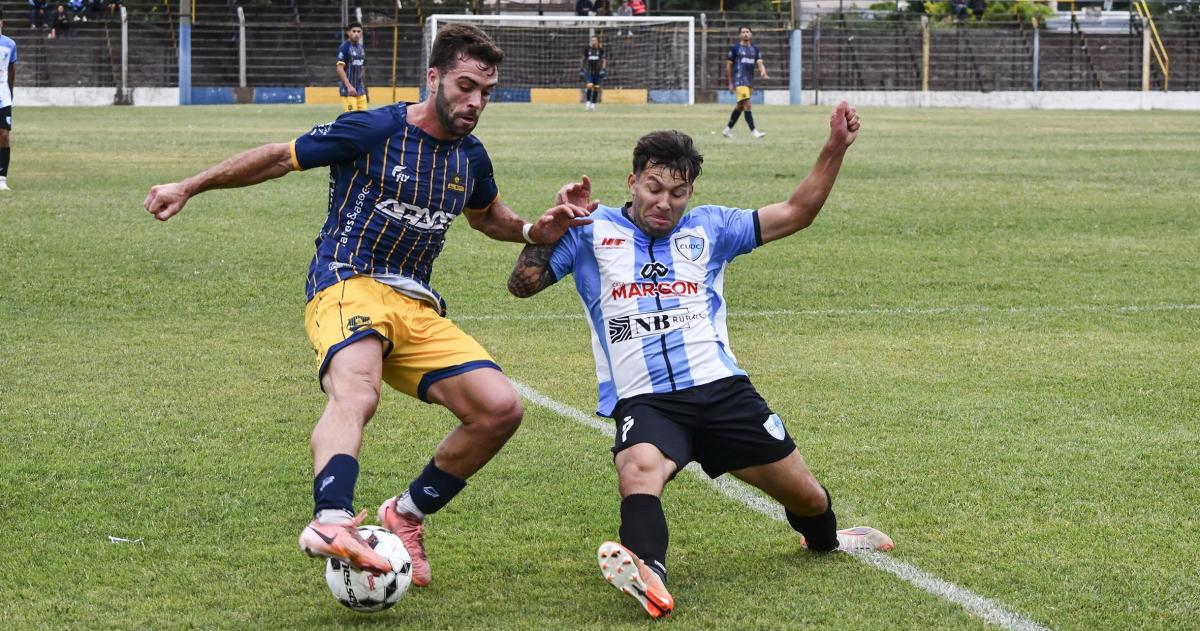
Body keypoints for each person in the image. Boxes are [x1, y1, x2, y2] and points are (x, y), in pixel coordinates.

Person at [144, 23, 591, 587]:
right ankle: (332, 519)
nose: (475, 101)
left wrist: (533, 228)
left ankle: (403, 516)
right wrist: (189, 185)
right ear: (434, 78)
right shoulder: (375, 127)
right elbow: (279, 158)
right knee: (357, 388)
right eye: (464, 85)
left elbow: (486, 217)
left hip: (417, 305)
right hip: (346, 281)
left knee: (499, 409)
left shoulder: (470, 158)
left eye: (486, 91)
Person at [507, 103, 893, 619]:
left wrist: (834, 149)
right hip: (646, 400)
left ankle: (827, 541)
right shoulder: (589, 231)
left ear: (691, 192)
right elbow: (521, 286)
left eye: (677, 192)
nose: (663, 202)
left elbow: (797, 212)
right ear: (633, 181)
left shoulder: (713, 228)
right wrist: (546, 232)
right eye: (653, 188)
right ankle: (649, 573)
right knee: (638, 469)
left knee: (806, 497)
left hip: (722, 392)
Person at [722, 26, 768, 139]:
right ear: (740, 35)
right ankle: (754, 131)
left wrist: (763, 71)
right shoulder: (735, 49)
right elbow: (729, 66)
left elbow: (760, 63)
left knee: (740, 107)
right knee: (747, 104)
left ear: (751, 34)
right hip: (739, 80)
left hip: (749, 82)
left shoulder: (755, 49)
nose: (745, 34)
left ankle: (727, 130)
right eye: (743, 32)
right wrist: (730, 83)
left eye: (747, 32)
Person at [336, 21, 367, 112]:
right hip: (348, 91)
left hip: (360, 90)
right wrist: (349, 86)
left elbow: (362, 66)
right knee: (352, 119)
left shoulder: (361, 48)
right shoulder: (344, 47)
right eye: (354, 31)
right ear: (348, 33)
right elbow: (339, 68)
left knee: (364, 118)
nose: (356, 34)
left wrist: (361, 83)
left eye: (359, 31)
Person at [0, 10, 14, 192]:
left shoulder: (10, 44)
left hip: (2, 95)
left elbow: (12, 72)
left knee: (3, 135)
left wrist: (11, 94)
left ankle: (2, 177)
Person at [581, 35, 606, 112]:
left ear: (597, 41)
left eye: (595, 40)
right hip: (589, 71)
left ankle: (593, 105)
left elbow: (604, 60)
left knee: (596, 88)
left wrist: (603, 69)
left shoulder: (600, 50)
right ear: (590, 41)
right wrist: (582, 69)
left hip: (597, 72)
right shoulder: (587, 49)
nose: (594, 42)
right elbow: (583, 59)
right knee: (589, 86)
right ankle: (588, 103)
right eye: (592, 40)